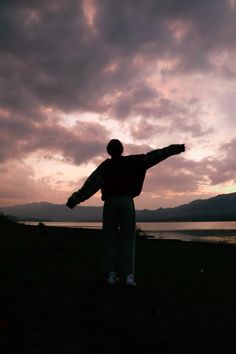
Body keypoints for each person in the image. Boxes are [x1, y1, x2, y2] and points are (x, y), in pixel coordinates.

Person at [66, 139, 185, 287]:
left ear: (109, 151)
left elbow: (91, 185)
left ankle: (111, 274)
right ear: (121, 150)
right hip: (126, 202)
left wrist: (75, 199)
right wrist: (174, 149)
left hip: (110, 203)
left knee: (109, 238)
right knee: (128, 238)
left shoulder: (105, 166)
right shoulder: (132, 161)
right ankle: (129, 276)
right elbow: (155, 156)